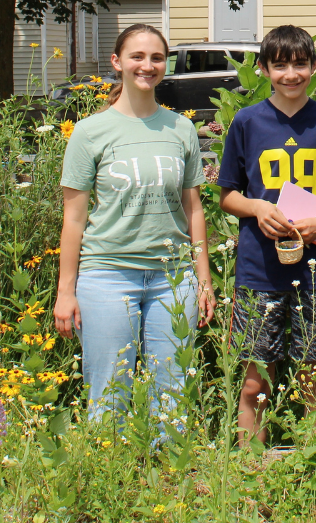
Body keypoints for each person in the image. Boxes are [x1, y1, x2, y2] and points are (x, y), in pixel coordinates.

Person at [217, 25, 316, 444]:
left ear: (314, 66)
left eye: (300, 64)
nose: (291, 74)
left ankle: (314, 459)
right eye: (280, 65)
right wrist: (256, 208)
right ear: (263, 68)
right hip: (259, 267)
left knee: (314, 373)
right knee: (255, 376)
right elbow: (227, 195)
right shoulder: (246, 122)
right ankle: (251, 463)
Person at [52, 23, 216, 420]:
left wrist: (203, 280)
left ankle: (168, 459)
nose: (147, 65)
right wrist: (65, 291)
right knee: (109, 394)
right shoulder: (89, 132)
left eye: (157, 58)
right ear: (117, 62)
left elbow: (193, 209)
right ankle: (109, 459)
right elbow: (73, 219)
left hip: (172, 279)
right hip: (107, 276)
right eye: (137, 56)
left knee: (174, 395)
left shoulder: (181, 129)